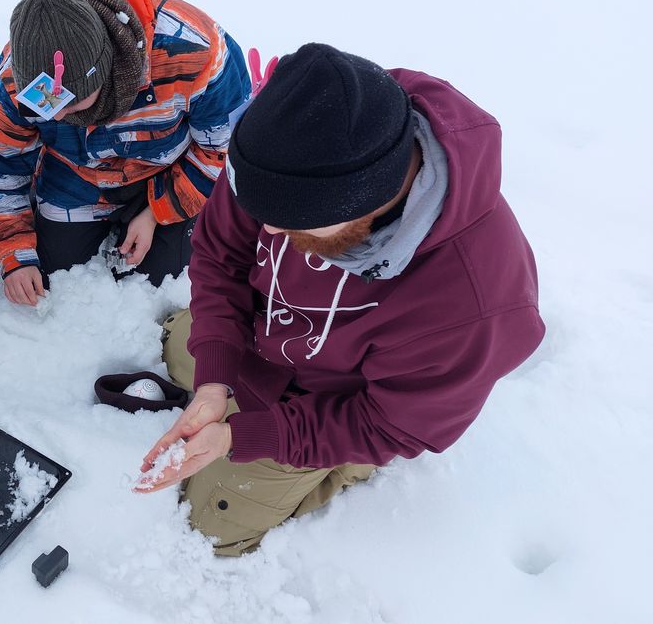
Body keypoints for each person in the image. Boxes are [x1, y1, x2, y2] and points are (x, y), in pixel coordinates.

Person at [140, 43, 546, 556]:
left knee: (210, 529)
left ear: (366, 200)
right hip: (265, 345)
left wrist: (241, 437)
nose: (265, 229)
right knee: (188, 347)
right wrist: (215, 375)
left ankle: (344, 469)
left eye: (291, 222)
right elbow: (221, 255)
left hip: (329, 405)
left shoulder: (473, 303)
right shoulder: (285, 145)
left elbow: (387, 423)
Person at [0, 0, 253, 306]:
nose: (58, 116)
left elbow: (223, 153)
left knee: (159, 281)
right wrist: (15, 254)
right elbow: (0, 172)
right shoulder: (12, 81)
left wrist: (156, 212)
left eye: (73, 105)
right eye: (46, 108)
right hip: (74, 179)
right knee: (55, 273)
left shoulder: (194, 50)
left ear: (105, 68)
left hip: (168, 174)